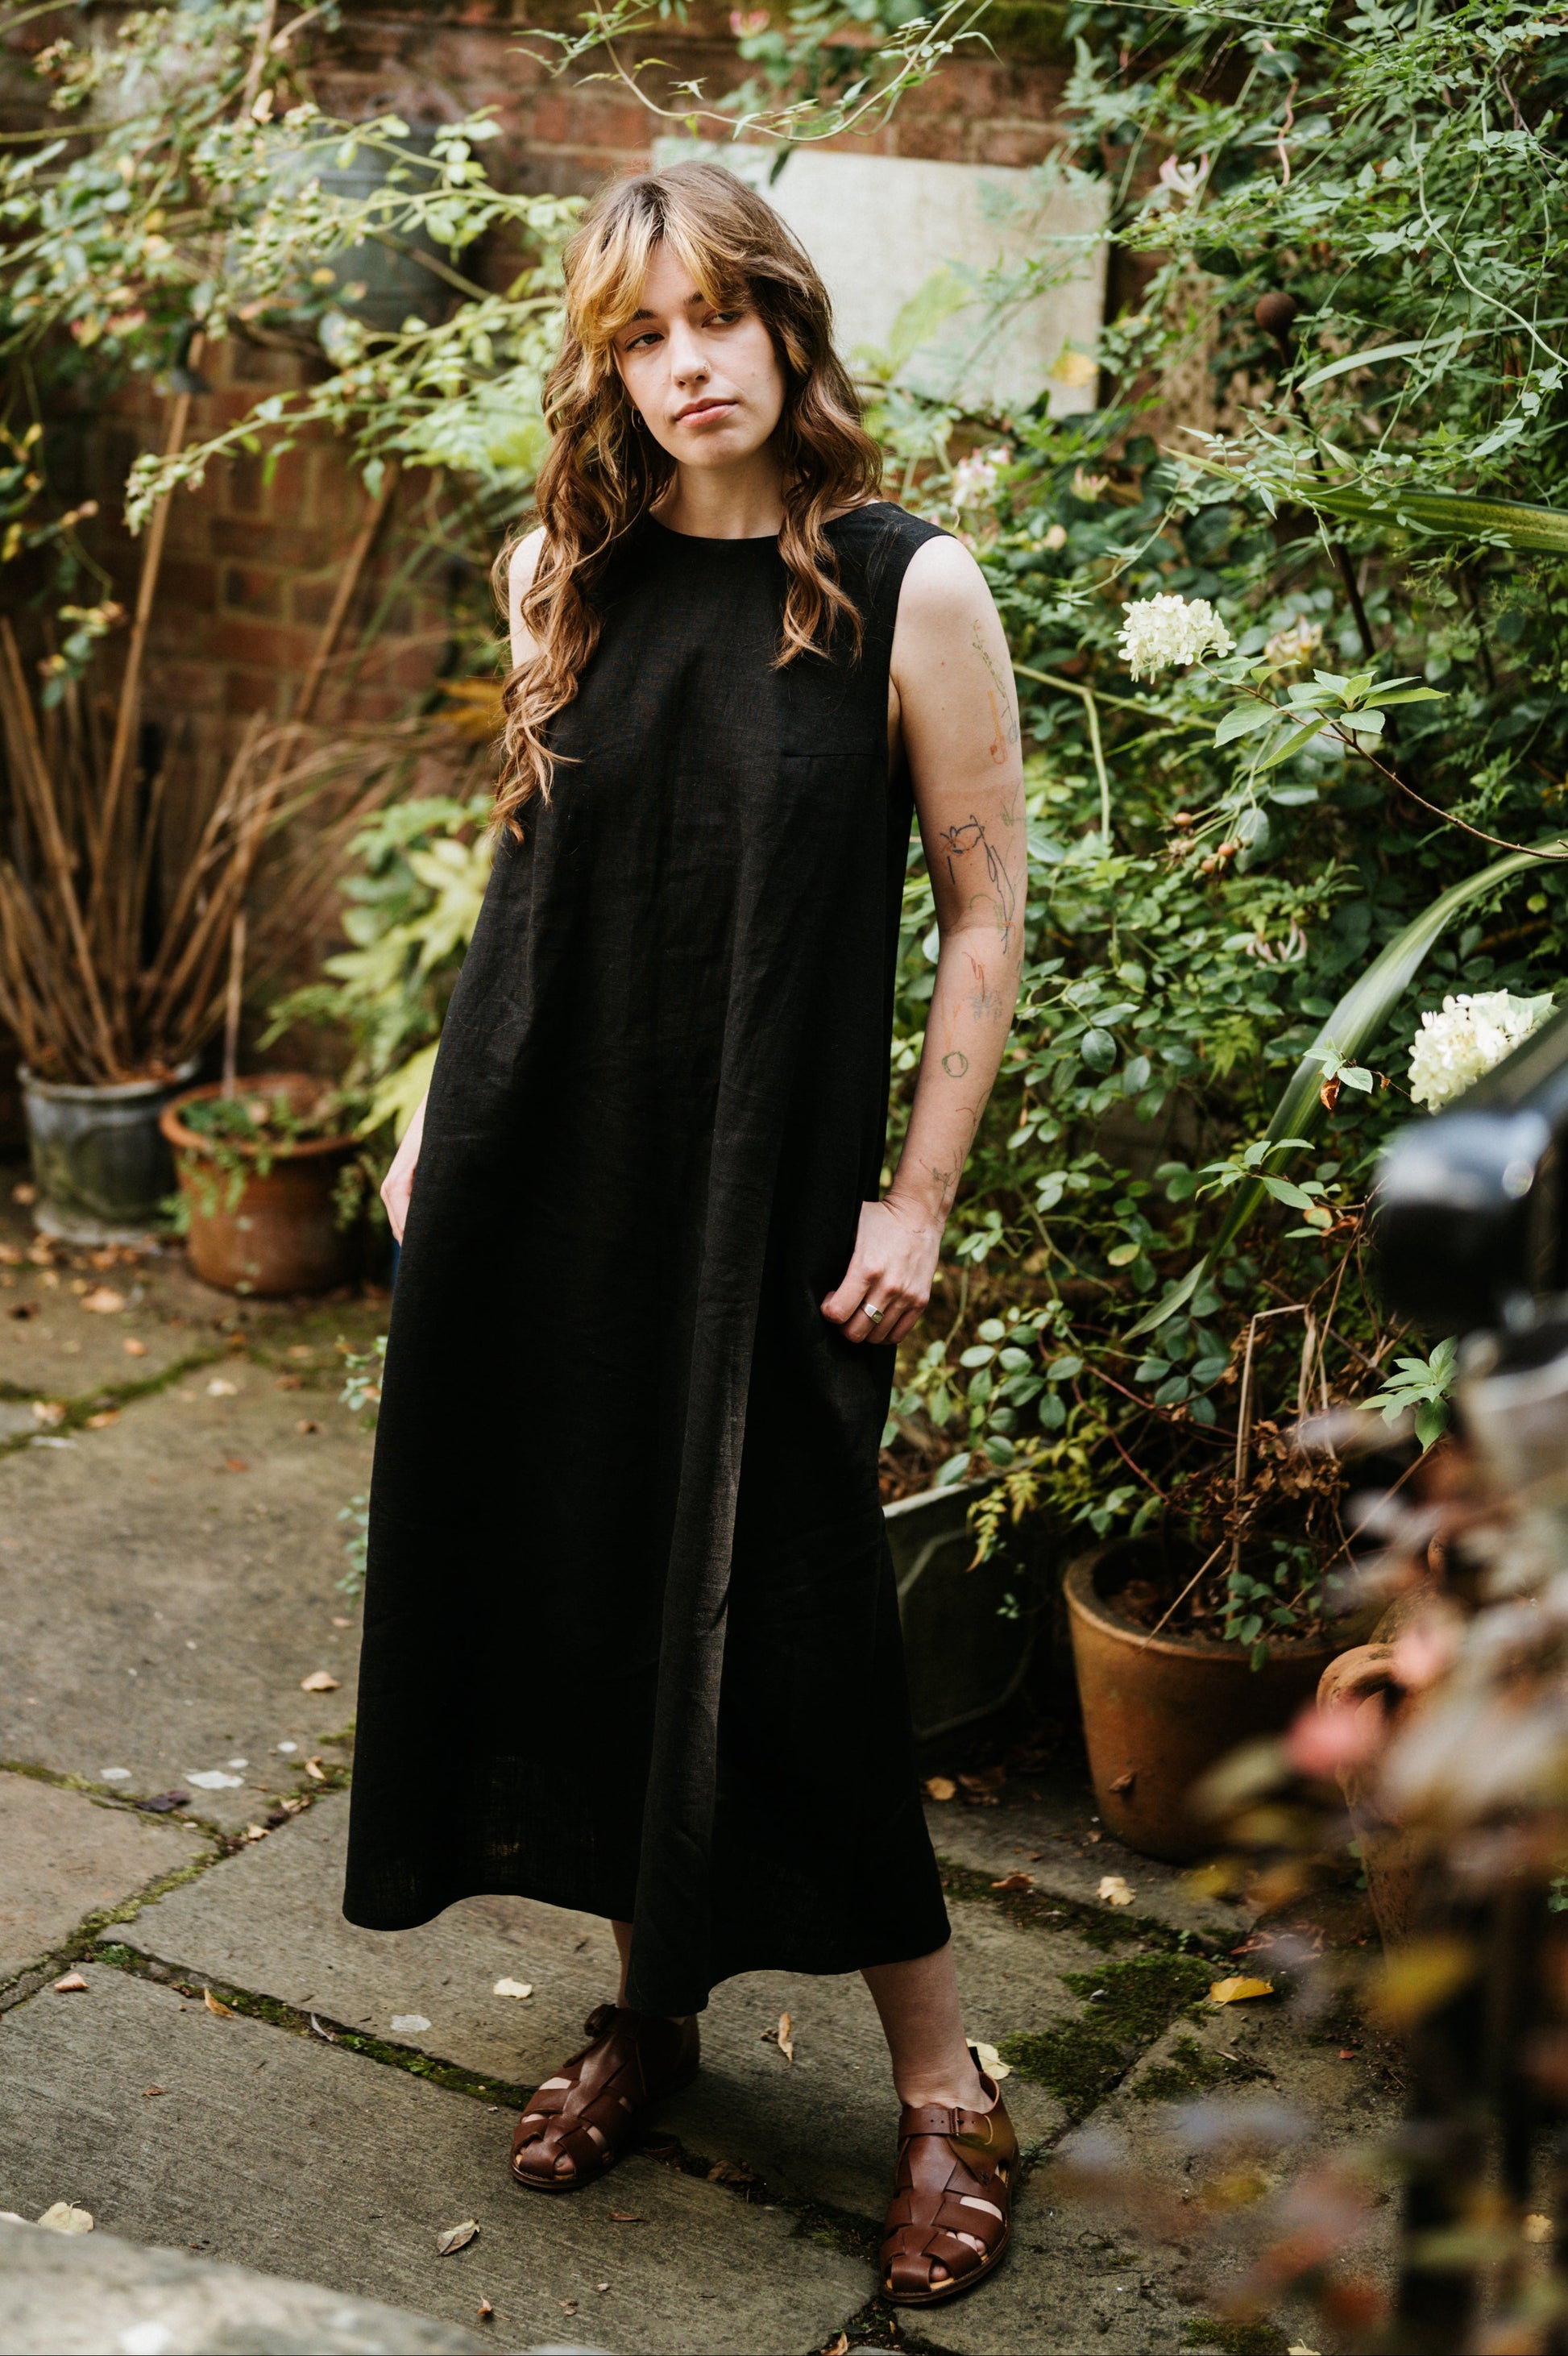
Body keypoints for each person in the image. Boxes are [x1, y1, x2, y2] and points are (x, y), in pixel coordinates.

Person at [343, 160, 1026, 2308]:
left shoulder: (907, 588)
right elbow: (522, 882)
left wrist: (916, 1199)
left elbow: (988, 912)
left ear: (787, 326)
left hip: (774, 1199)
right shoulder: (574, 565)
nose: (686, 363)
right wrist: (429, 1124)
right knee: (586, 1573)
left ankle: (946, 2088)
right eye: (641, 335)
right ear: (608, 368)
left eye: (717, 316)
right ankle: (651, 2006)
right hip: (556, 1179)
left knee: (800, 1610)